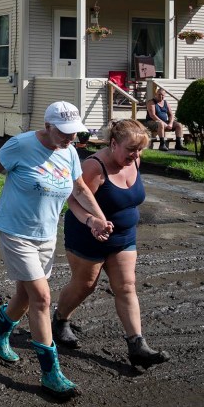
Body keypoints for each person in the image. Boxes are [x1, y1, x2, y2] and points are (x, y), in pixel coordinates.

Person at [0, 101, 113, 399]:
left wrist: (97, 218)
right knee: (42, 298)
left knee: (25, 293)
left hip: (46, 235)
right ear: (47, 126)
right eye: (64, 132)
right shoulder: (20, 145)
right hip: (15, 231)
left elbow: (80, 189)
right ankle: (50, 373)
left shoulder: (69, 152)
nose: (71, 138)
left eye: (74, 133)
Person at [52, 119, 170, 367]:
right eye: (130, 150)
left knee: (126, 285)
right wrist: (92, 222)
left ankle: (137, 345)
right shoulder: (94, 167)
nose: (135, 155)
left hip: (124, 236)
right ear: (113, 143)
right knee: (86, 285)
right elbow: (73, 201)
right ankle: (60, 320)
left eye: (139, 150)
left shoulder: (135, 160)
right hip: (87, 235)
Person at [145, 86, 186, 150]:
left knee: (179, 124)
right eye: (159, 95)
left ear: (165, 96)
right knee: (160, 123)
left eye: (162, 95)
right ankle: (162, 144)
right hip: (151, 122)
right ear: (156, 94)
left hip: (164, 122)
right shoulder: (151, 102)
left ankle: (178, 144)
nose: (161, 96)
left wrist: (170, 123)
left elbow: (171, 115)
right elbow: (152, 115)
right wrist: (163, 123)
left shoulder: (166, 103)